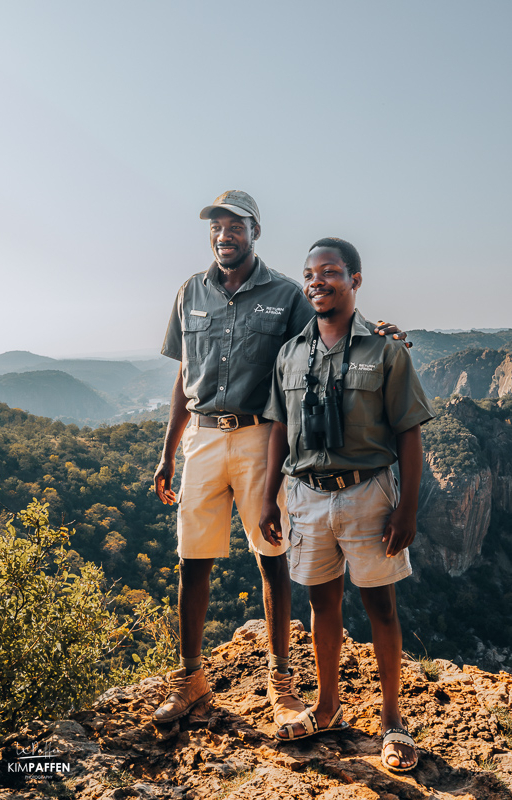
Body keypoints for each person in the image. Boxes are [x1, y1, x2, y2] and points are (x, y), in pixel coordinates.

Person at [153, 192, 407, 728]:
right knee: (191, 557)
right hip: (201, 435)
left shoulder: (288, 294)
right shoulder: (188, 292)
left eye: (235, 225)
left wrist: (379, 332)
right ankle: (190, 679)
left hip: (259, 435)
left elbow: (328, 329)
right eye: (217, 225)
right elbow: (182, 376)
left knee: (272, 555)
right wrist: (168, 451)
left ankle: (281, 680)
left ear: (255, 231)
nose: (225, 233)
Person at [260, 237, 434, 771]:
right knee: (321, 603)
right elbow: (279, 429)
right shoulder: (290, 353)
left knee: (380, 604)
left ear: (354, 281)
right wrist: (268, 497)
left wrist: (407, 508)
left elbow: (408, 432)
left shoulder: (384, 350)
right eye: (310, 273)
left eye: (330, 271)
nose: (317, 281)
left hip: (368, 493)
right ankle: (327, 706)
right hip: (306, 495)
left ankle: (391, 722)